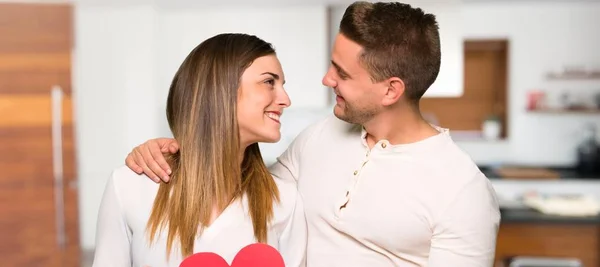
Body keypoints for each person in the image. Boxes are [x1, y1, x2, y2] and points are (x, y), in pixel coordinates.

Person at [124, 2, 501, 266]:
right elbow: (243, 192)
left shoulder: (462, 190)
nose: (326, 79)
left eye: (342, 73)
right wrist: (174, 150)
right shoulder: (320, 137)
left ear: (391, 90)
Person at [92, 33, 306, 267]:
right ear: (221, 87)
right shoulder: (128, 188)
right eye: (269, 82)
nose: (285, 99)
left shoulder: (284, 201)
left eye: (282, 85)